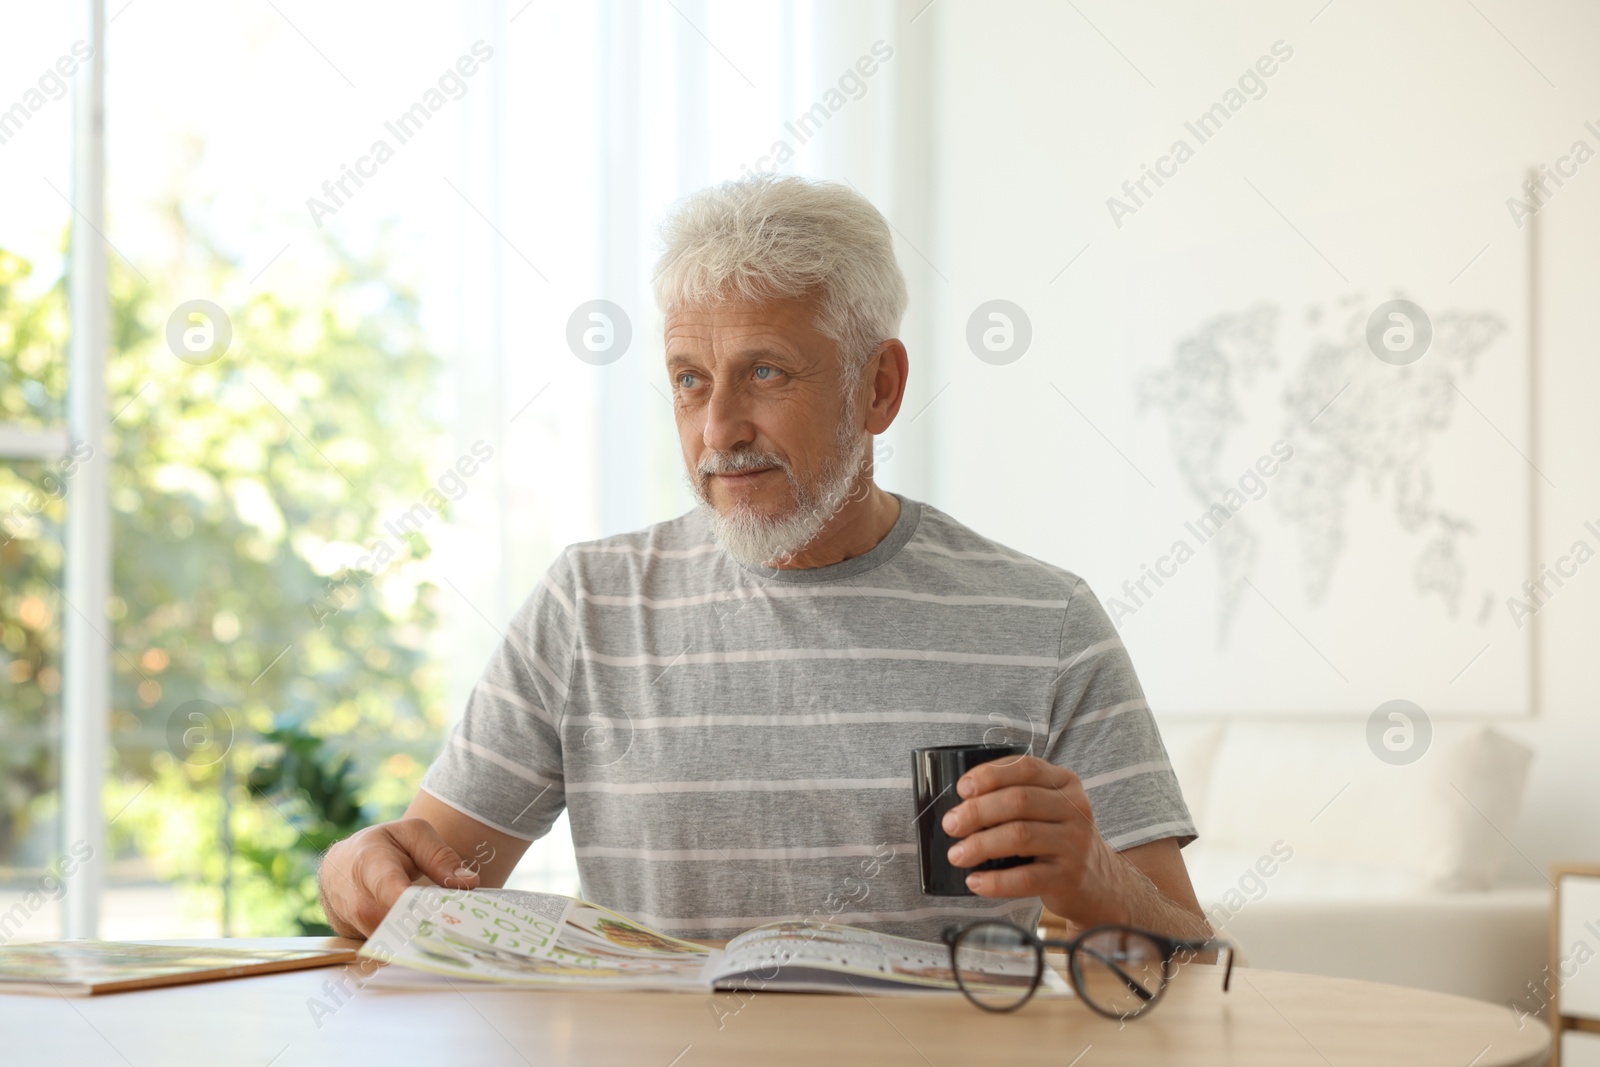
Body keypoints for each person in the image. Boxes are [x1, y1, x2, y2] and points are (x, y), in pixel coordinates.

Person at [319, 175, 1209, 944]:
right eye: (690, 379)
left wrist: (1094, 876)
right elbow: (423, 885)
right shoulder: (588, 604)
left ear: (880, 387)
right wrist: (360, 871)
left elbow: (1193, 958)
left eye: (768, 373)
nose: (718, 432)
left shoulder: (1045, 622)